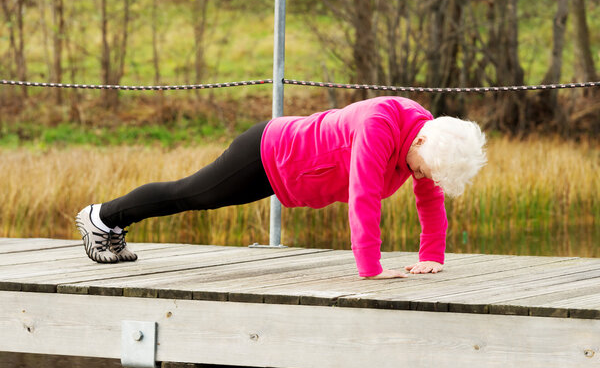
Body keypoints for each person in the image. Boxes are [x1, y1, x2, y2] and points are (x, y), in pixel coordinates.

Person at [75, 96, 486, 279]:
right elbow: (363, 197)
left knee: (193, 196)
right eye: (422, 169)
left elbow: (429, 192)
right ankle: (102, 217)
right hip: (268, 153)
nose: (420, 178)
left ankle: (109, 225)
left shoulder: (430, 135)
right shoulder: (381, 126)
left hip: (286, 169)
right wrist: (371, 269)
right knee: (191, 195)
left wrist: (432, 255)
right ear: (419, 142)